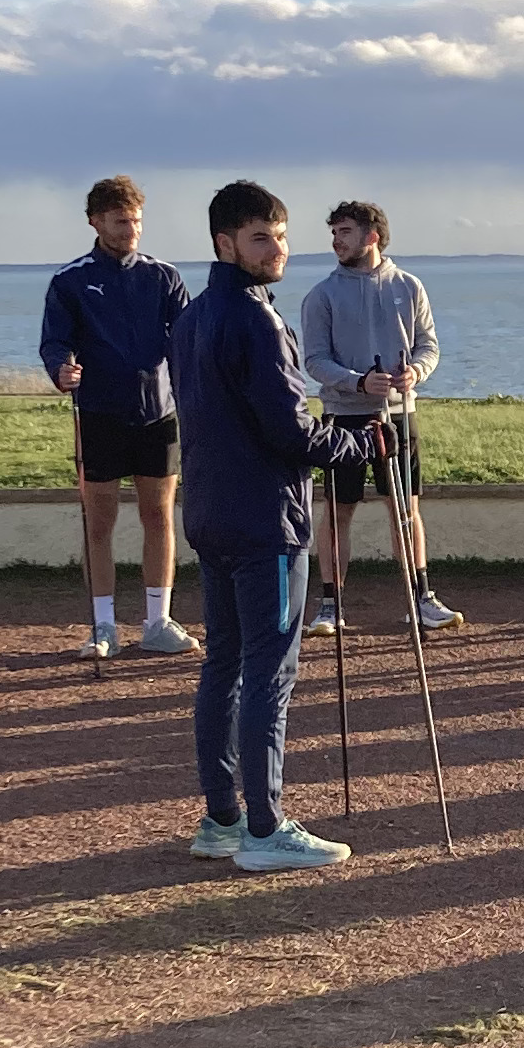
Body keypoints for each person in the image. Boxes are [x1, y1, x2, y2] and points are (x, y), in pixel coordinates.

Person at [168, 181, 348, 872]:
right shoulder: (257, 320)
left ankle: (221, 818)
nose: (277, 249)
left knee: (223, 668)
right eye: (260, 238)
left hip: (212, 513)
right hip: (266, 521)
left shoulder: (189, 319)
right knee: (268, 672)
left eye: (279, 235)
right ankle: (265, 830)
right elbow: (291, 432)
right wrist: (359, 444)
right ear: (225, 244)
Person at [40, 175, 194, 664]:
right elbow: (54, 342)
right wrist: (61, 369)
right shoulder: (70, 281)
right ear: (96, 221)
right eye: (121, 221)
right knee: (100, 520)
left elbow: (186, 340)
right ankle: (102, 624)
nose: (131, 229)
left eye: (136, 221)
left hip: (158, 414)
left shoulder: (164, 277)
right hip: (99, 414)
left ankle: (157, 621)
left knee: (158, 516)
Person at [301, 201, 460, 638]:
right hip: (342, 420)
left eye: (345, 232)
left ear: (372, 236)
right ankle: (331, 603)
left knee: (405, 508)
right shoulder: (322, 295)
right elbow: (314, 360)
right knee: (338, 510)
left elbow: (429, 345)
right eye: (334, 232)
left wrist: (417, 372)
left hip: (397, 416)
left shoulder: (409, 286)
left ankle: (421, 598)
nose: (337, 240)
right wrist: (357, 382)